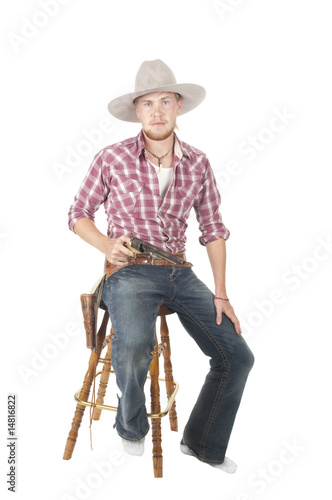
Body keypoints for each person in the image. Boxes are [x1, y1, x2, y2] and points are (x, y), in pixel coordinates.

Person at [68, 59, 254, 473]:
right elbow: (78, 212)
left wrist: (221, 292)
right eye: (148, 103)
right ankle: (131, 426)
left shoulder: (198, 163)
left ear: (178, 107)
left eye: (165, 102)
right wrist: (105, 243)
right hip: (130, 271)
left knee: (237, 356)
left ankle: (202, 442)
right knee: (134, 345)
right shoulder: (112, 158)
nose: (156, 111)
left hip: (180, 273)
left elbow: (214, 229)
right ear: (137, 111)